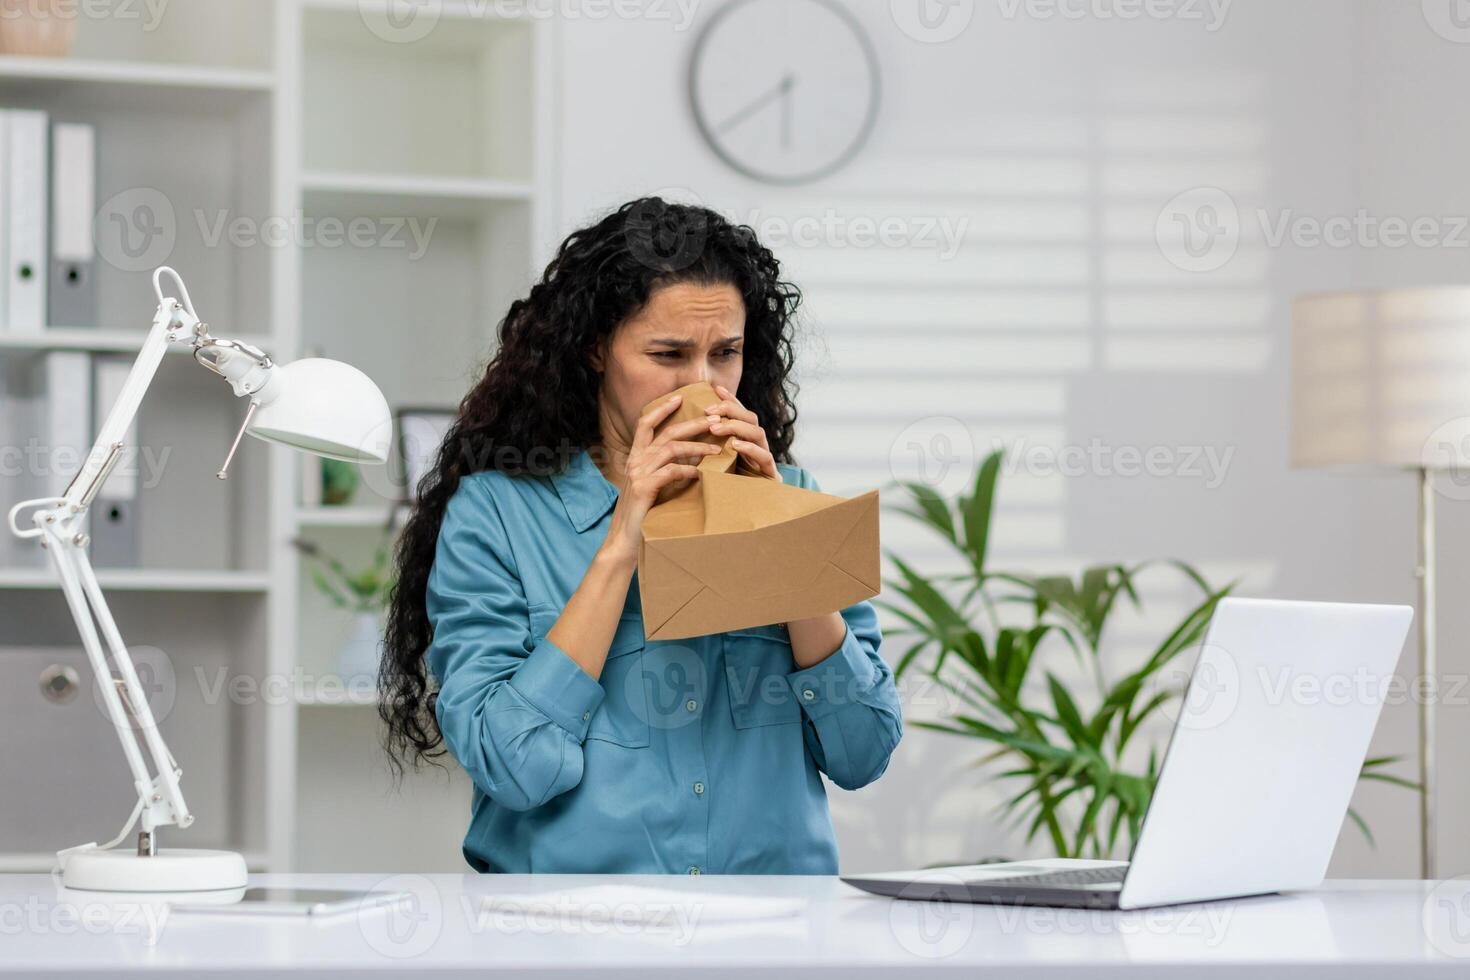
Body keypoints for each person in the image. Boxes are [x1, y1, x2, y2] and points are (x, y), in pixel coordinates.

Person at [380, 198, 903, 874]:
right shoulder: (497, 513)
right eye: (668, 354)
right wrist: (624, 534)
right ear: (597, 348)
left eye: (726, 353)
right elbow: (514, 768)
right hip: (568, 931)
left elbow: (863, 753)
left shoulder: (792, 496)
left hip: (772, 931)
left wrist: (774, 532)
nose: (703, 384)